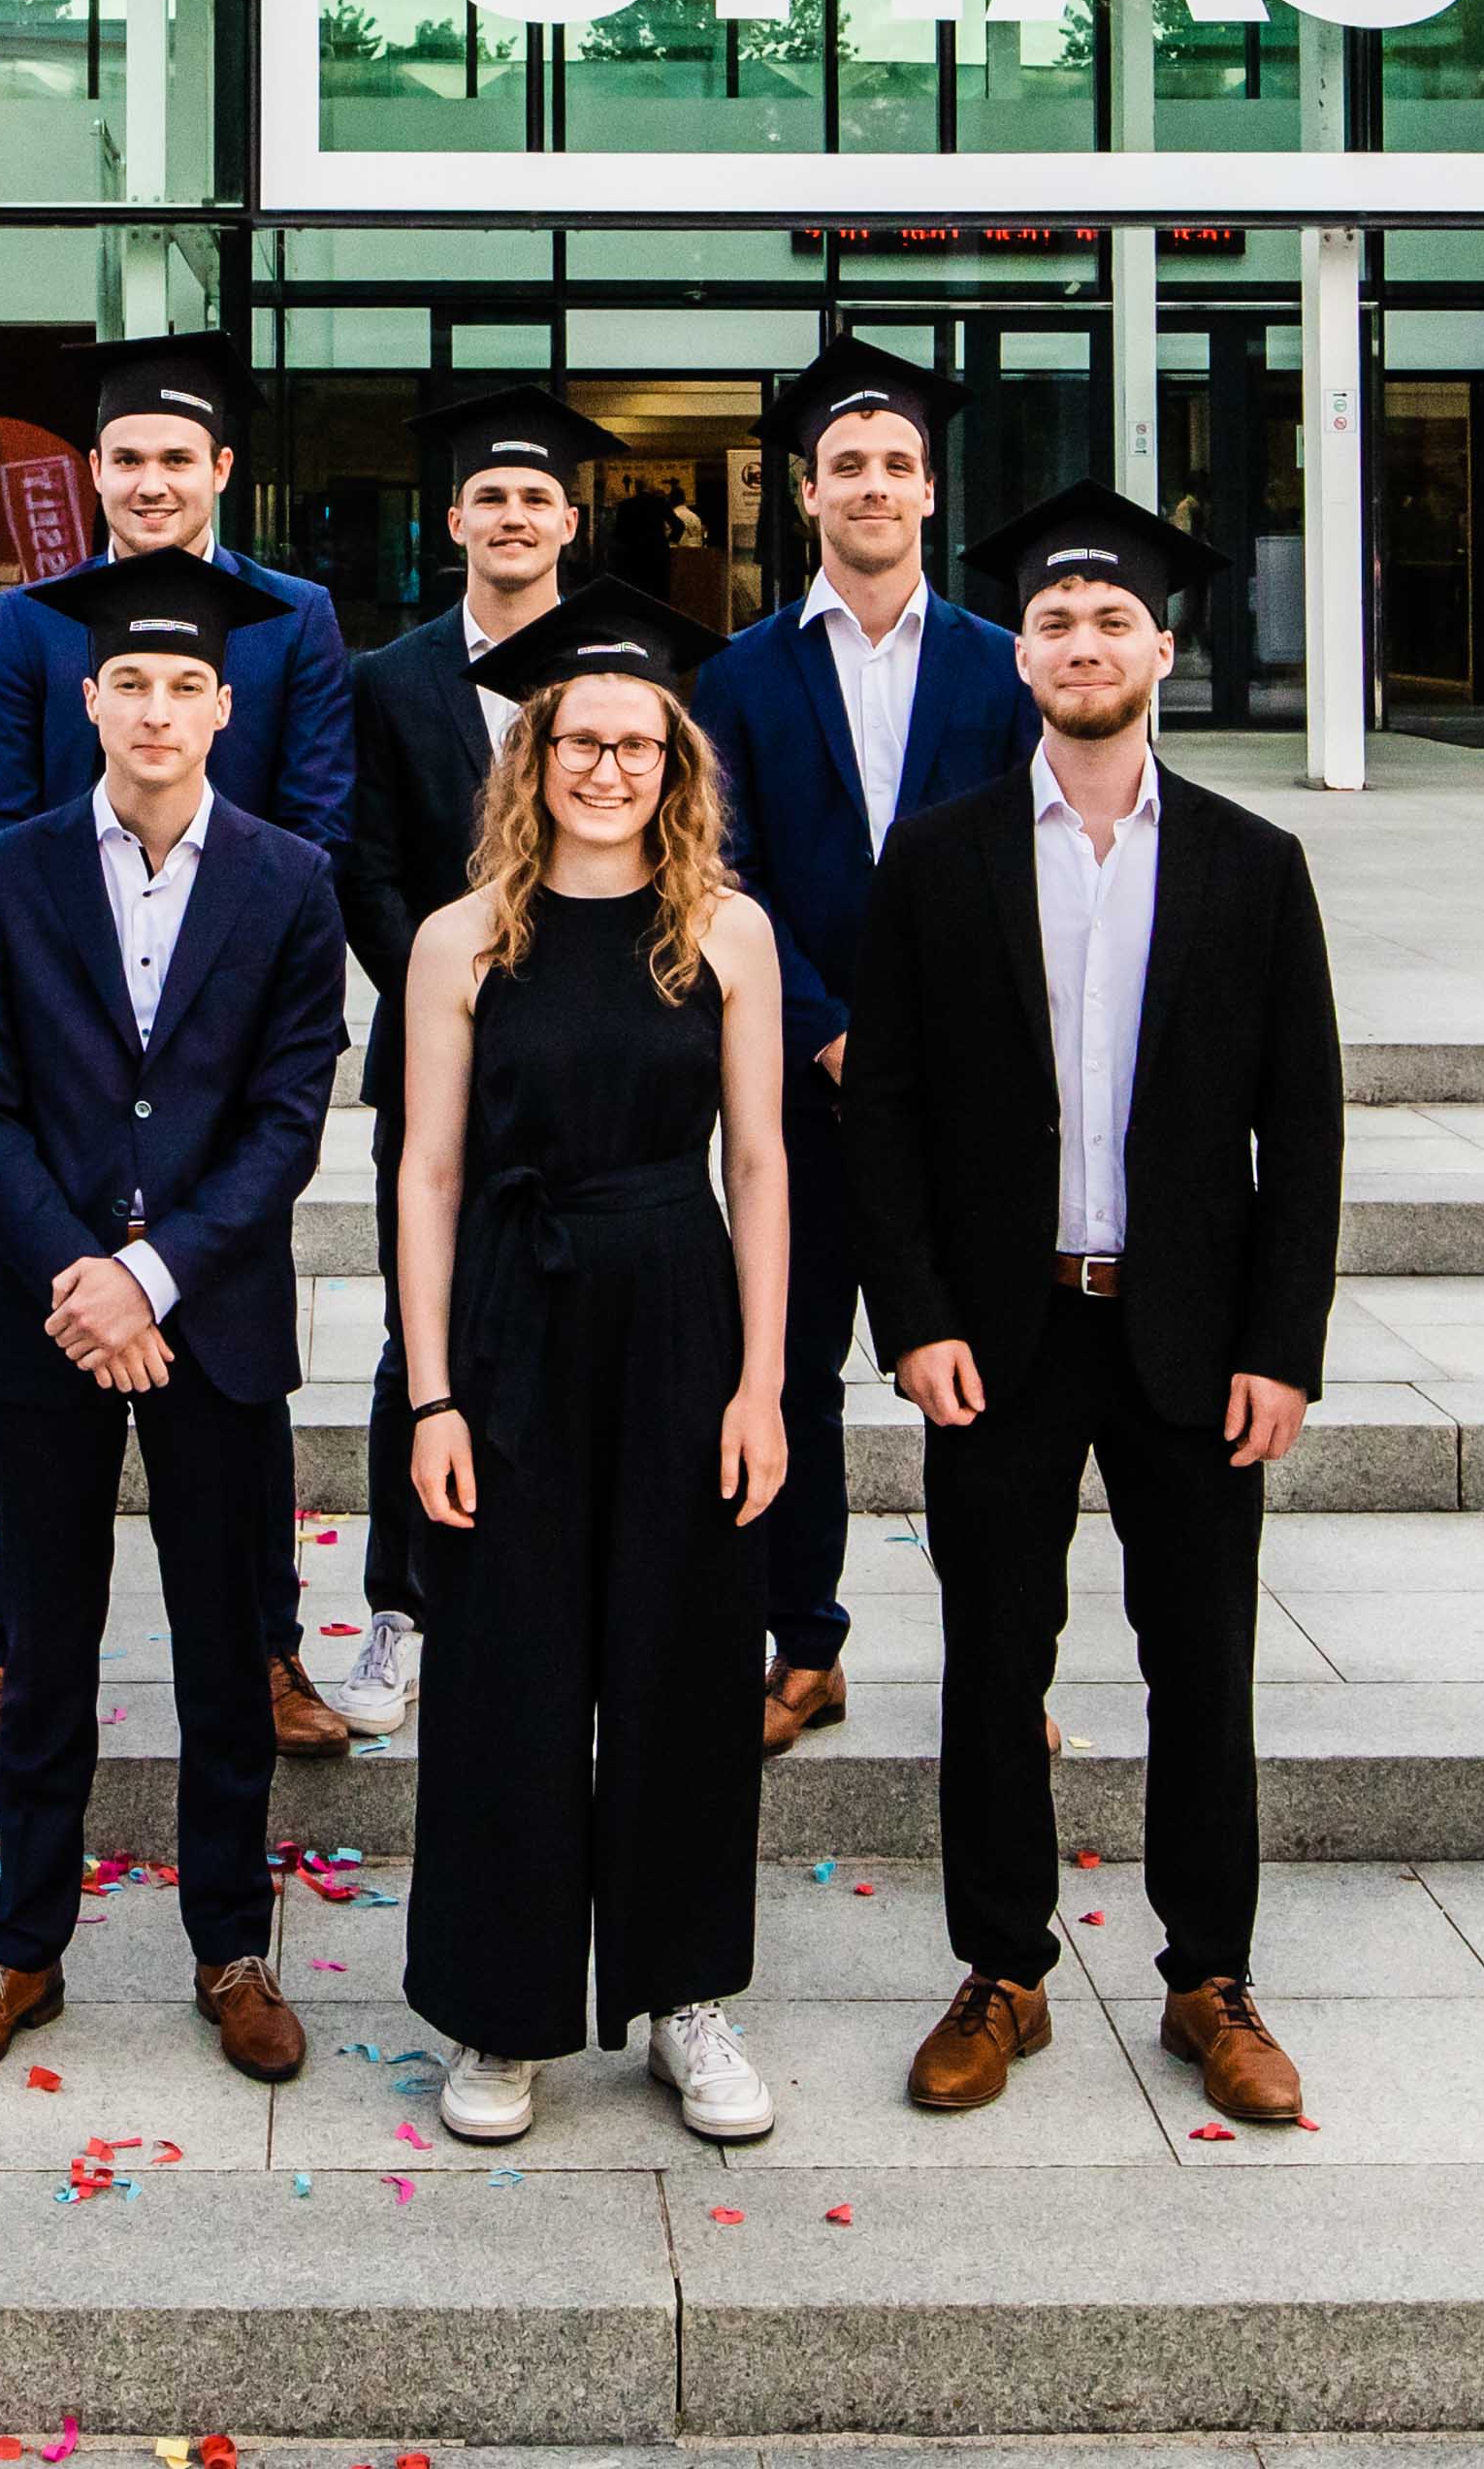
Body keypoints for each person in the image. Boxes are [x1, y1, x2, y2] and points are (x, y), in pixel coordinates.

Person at [848, 481, 1343, 2131]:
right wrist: (914, 1319)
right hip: (1002, 1334)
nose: (1081, 642)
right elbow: (885, 1109)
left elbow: (1305, 1126)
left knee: (1202, 1662)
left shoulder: (1254, 866)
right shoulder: (938, 860)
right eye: (1054, 621)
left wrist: (1283, 1347)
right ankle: (1002, 1968)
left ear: (1161, 649)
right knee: (994, 1659)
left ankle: (1212, 1975)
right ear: (1020, 657)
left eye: (1110, 619)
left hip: (1190, 1336)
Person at [0, 552, 352, 2090]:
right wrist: (82, 1276)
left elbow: (290, 1113)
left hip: (212, 1319)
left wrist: (153, 1277)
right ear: (89, 700)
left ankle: (231, 1943)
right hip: (48, 1315)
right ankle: (22, 1945)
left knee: (230, 1652)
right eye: (130, 684)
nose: (157, 709)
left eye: (186, 686)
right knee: (44, 1644)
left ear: (225, 708)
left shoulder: (290, 880)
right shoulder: (10, 870)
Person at [397, 579, 790, 2145]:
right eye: (582, 743)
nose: (609, 768)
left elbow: (759, 1164)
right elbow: (428, 1172)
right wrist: (431, 1394)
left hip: (680, 1309)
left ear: (674, 762)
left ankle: (684, 1998)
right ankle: (500, 2014)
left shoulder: (727, 930)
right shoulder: (460, 939)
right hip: (512, 1321)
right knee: (508, 1667)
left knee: (681, 1663)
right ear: (536, 756)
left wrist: (763, 1384)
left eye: (638, 745)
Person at [0, 326, 363, 1764]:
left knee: (237, 1414)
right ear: (95, 468)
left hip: (225, 1054)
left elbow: (316, 816)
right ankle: (9, 1653)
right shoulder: (33, 623)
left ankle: (268, 1649)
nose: (149, 482)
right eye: (125, 458)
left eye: (176, 458)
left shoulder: (294, 619)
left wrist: (226, 982)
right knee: (47, 1435)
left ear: (221, 468)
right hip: (67, 1048)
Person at [688, 338, 1038, 1757]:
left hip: (973, 1094)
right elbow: (723, 872)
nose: (873, 486)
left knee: (985, 1384)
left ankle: (1003, 1668)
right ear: (808, 493)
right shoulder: (741, 674)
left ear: (930, 493)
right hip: (802, 1087)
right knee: (792, 1370)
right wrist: (827, 1030)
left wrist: (943, 1044)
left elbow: (1031, 864)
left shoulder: (1003, 669)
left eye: (898, 465)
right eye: (848, 467)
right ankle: (805, 1646)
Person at [332, 382, 611, 1739]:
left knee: (584, 1327)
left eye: (534, 498)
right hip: (437, 1063)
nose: (512, 516)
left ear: (570, 521)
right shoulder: (389, 681)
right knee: (423, 1330)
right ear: (454, 522)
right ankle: (402, 1603)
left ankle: (560, 1590)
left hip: (597, 1061)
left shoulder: (613, 680)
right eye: (489, 497)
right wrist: (454, 1004)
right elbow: (367, 868)